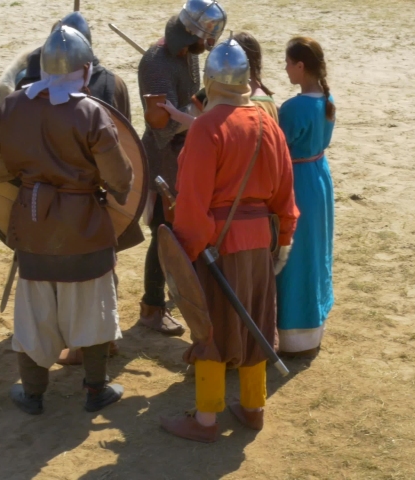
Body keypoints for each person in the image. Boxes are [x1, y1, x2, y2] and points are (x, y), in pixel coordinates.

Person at [0, 26, 133, 414]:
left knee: (34, 312)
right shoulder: (89, 112)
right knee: (92, 307)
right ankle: (95, 390)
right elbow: (120, 178)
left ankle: (33, 394)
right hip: (84, 227)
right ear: (84, 70)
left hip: (32, 225)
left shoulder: (11, 107)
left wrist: (32, 172)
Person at [159, 38, 298, 443]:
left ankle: (205, 420)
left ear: (211, 81)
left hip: (217, 244)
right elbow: (284, 194)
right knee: (256, 320)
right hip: (259, 244)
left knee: (212, 328)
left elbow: (193, 202)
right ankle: (253, 407)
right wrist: (282, 238)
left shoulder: (206, 127)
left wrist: (186, 253)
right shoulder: (268, 124)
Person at [136, 0, 226, 336]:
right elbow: (161, 124)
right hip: (165, 157)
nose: (208, 46)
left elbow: (191, 101)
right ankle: (151, 306)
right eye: (206, 39)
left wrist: (203, 103)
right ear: (191, 33)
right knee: (165, 230)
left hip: (189, 151)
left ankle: (182, 287)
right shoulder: (155, 62)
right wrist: (198, 113)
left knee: (187, 225)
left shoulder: (189, 54)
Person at [275, 37, 336, 358]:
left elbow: (276, 150)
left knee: (295, 258)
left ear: (300, 66)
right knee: (316, 252)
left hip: (298, 184)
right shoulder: (327, 98)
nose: (285, 68)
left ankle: (293, 334)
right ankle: (314, 328)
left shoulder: (294, 108)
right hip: (320, 179)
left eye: (288, 63)